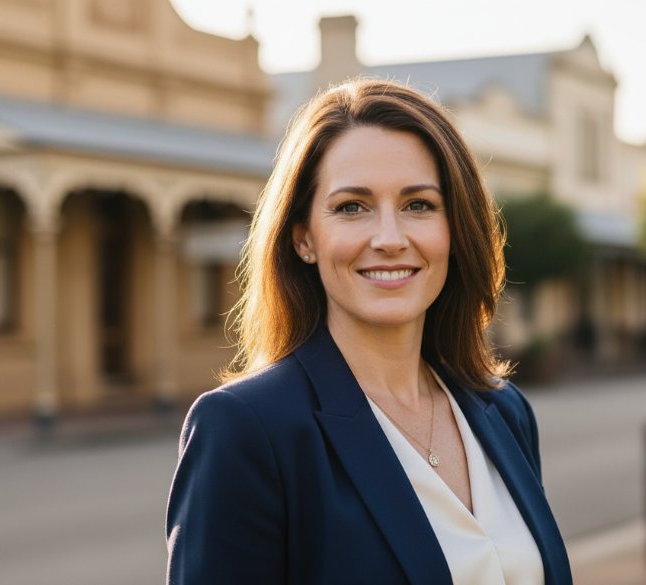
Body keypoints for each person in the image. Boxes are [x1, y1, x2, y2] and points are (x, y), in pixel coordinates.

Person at [165, 78, 572, 585]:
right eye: (351, 207)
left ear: (455, 228)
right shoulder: (246, 429)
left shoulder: (504, 411)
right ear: (304, 238)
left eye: (418, 204)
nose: (388, 238)